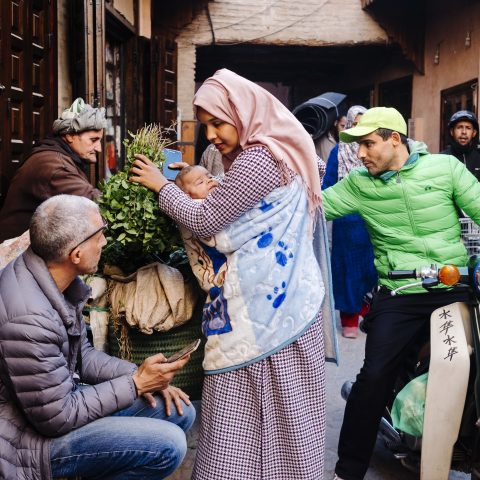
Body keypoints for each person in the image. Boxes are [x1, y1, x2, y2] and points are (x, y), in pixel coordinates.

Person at [129, 68, 337, 480]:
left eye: (218, 122)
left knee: (244, 421)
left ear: (244, 113)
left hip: (267, 319)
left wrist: (161, 186)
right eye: (205, 124)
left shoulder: (261, 157)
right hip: (288, 306)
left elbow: (208, 219)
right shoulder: (279, 151)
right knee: (283, 418)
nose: (210, 135)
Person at [321, 107, 480, 480]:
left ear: (396, 139)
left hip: (452, 286)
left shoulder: (445, 169)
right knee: (373, 376)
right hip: (399, 291)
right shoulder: (360, 184)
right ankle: (347, 471)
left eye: (368, 144)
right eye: (358, 146)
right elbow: (312, 206)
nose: (360, 154)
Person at [0, 194, 196, 480]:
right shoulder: (29, 319)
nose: (104, 242)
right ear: (75, 253)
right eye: (99, 234)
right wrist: (135, 384)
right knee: (168, 445)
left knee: (180, 410)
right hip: (24, 440)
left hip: (54, 403)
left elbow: (83, 356)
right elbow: (58, 417)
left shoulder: (52, 278)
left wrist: (142, 376)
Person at [0, 98, 105, 242]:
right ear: (69, 136)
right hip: (14, 257)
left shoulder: (60, 157)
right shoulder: (55, 165)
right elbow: (95, 204)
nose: (99, 148)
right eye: (93, 140)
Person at [323, 106, 377, 339]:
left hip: (373, 215)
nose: (359, 130)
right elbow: (328, 184)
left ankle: (367, 308)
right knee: (348, 268)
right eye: (355, 124)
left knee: (371, 266)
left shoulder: (376, 150)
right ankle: (349, 317)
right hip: (347, 220)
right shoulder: (339, 151)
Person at [441, 109, 480, 180]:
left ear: (474, 133)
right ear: (452, 132)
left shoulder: (478, 157)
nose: (464, 132)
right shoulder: (441, 158)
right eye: (459, 127)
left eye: (468, 128)